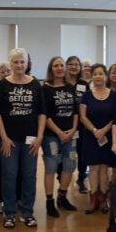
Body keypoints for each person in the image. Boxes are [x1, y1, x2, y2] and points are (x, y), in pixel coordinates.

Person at [0, 48, 43, 228]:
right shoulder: (3, 85)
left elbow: (42, 113)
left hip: (31, 140)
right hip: (9, 140)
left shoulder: (35, 84)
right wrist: (3, 137)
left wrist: (40, 137)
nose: (19, 65)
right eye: (15, 62)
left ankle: (27, 212)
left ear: (27, 64)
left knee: (29, 175)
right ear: (10, 64)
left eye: (22, 62)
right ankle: (9, 212)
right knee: (9, 175)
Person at [40, 57, 82, 217]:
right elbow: (45, 114)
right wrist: (58, 132)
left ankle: (62, 197)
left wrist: (72, 130)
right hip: (51, 135)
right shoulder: (45, 89)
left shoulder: (71, 87)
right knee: (51, 168)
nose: (59, 68)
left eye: (61, 65)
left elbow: (76, 111)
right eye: (55, 66)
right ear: (51, 69)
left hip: (70, 134)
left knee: (70, 166)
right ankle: (49, 202)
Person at [79, 64, 116, 213]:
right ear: (92, 76)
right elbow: (83, 117)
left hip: (107, 135)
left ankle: (103, 199)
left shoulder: (114, 95)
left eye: (101, 74)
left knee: (104, 168)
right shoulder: (86, 95)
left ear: (105, 76)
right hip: (91, 136)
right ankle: (93, 198)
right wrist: (95, 130)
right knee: (93, 168)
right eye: (95, 74)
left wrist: (104, 130)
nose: (98, 76)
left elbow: (115, 117)